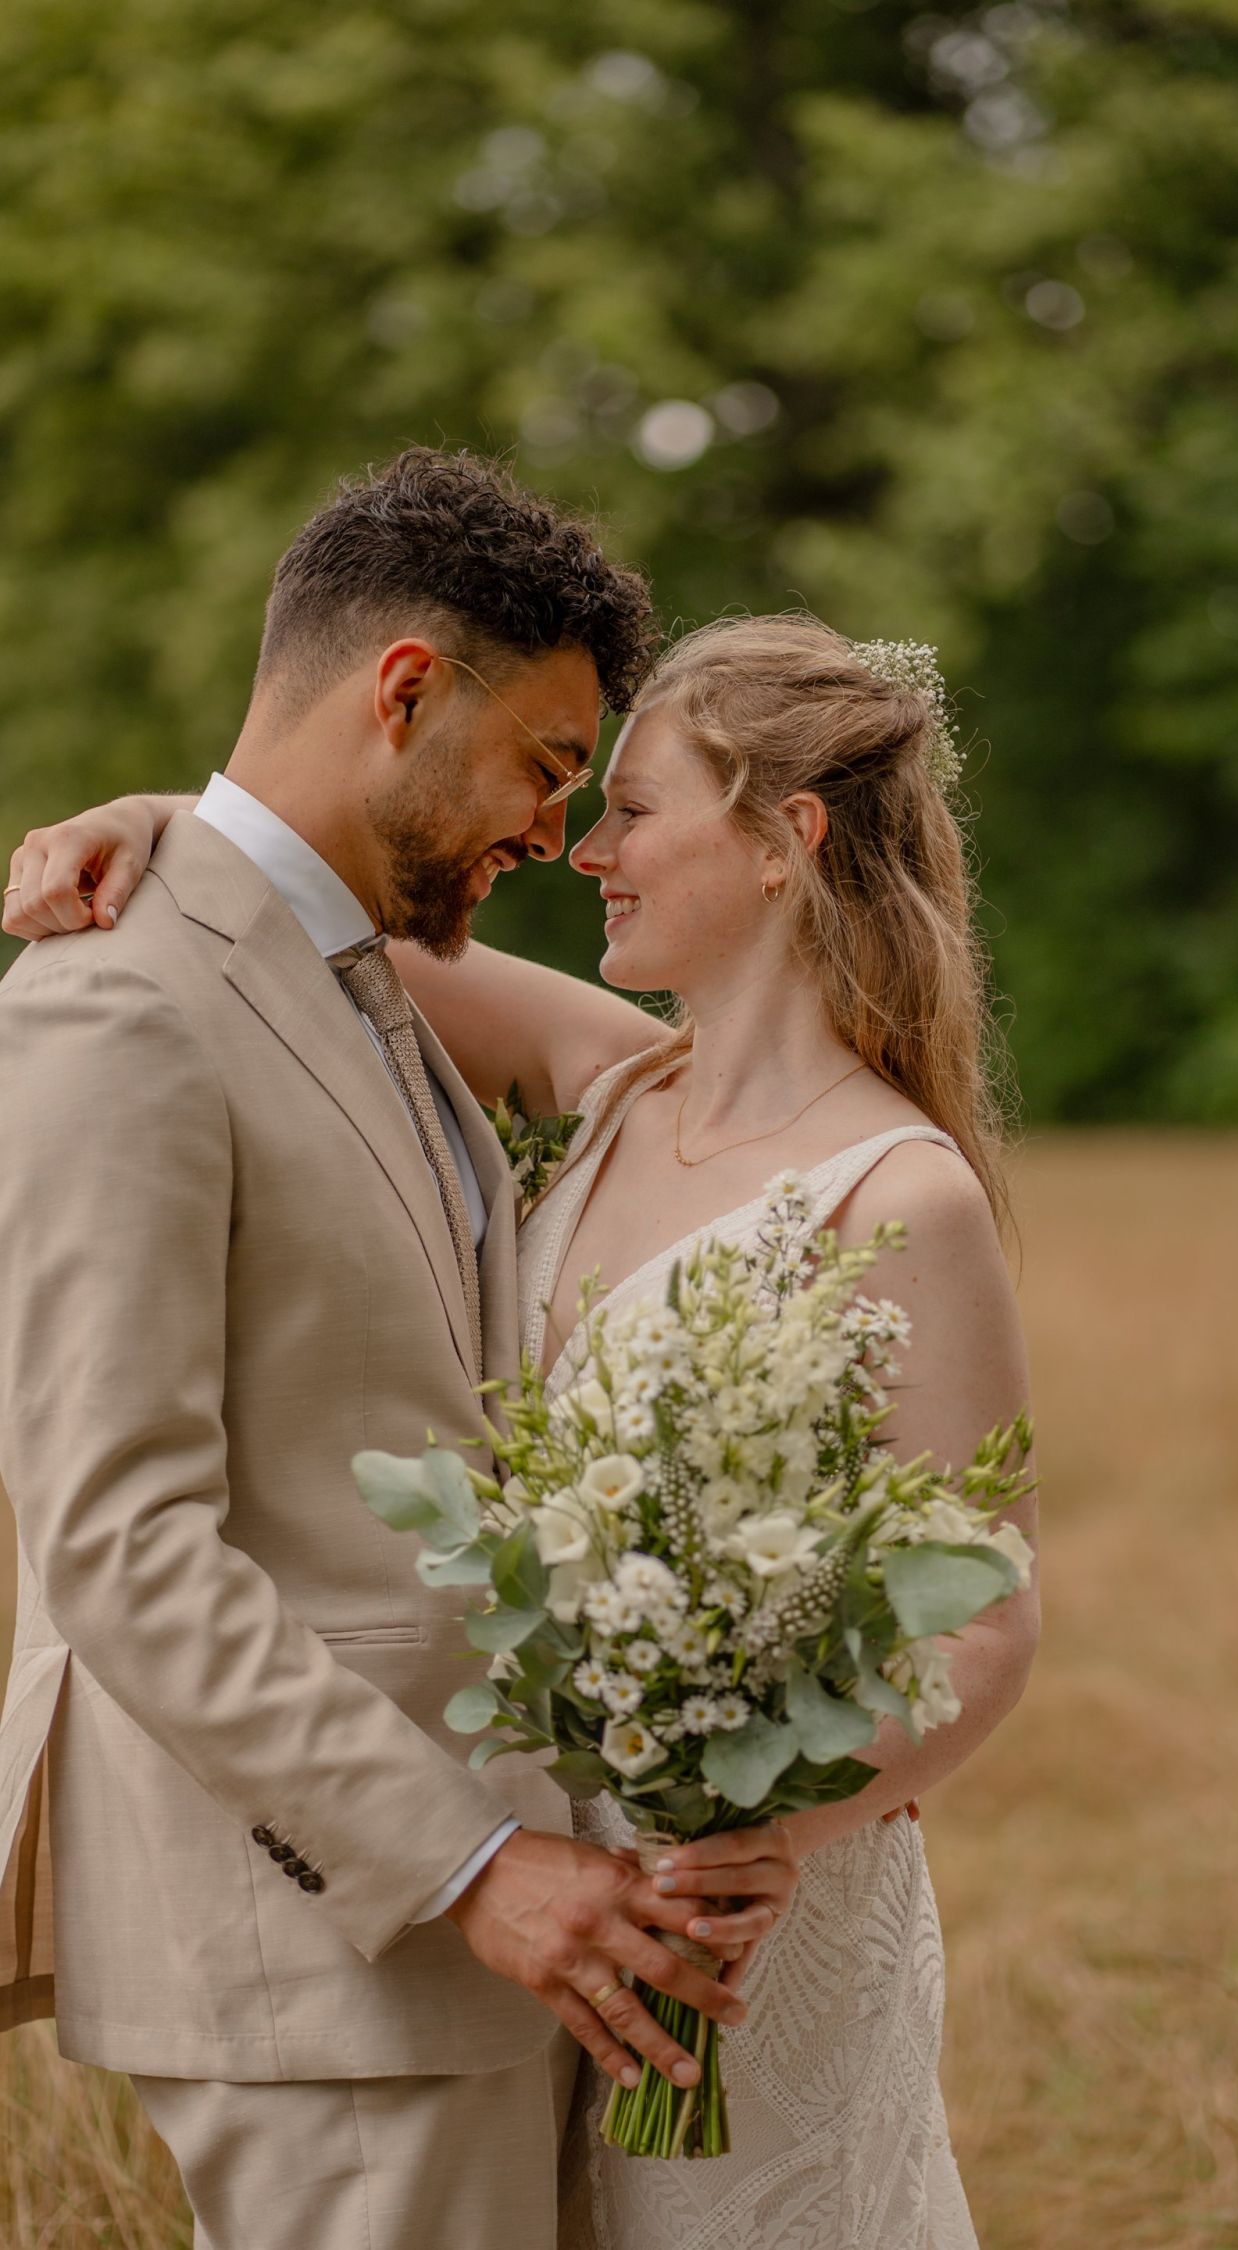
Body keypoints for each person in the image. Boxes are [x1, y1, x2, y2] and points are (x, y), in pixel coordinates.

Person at [7, 610, 1040, 2247]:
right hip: (539, 1883)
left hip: (736, 1902)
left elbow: (987, 1613)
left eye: (630, 806)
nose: (584, 849)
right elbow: (282, 920)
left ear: (787, 840)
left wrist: (770, 1816)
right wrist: (142, 827)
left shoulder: (901, 1193)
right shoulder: (617, 1075)